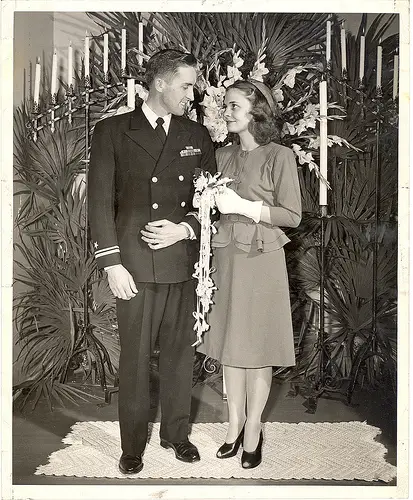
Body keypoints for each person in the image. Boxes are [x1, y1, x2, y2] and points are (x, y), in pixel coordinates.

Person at [88, 49, 216, 475]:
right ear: (160, 84)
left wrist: (186, 228)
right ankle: (132, 446)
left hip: (181, 261)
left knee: (180, 355)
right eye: (186, 85)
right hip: (135, 266)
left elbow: (209, 200)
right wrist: (112, 264)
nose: (192, 94)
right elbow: (100, 202)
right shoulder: (112, 131)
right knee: (136, 358)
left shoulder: (196, 136)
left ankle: (177, 435)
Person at [197, 79, 301, 469]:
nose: (227, 111)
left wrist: (245, 205)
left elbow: (292, 215)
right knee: (229, 343)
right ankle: (234, 424)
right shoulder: (221, 155)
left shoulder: (280, 156)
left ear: (257, 110)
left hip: (261, 257)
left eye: (234, 105)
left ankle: (254, 428)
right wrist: (204, 202)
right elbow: (208, 208)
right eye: (225, 105)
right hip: (226, 256)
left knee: (256, 347)